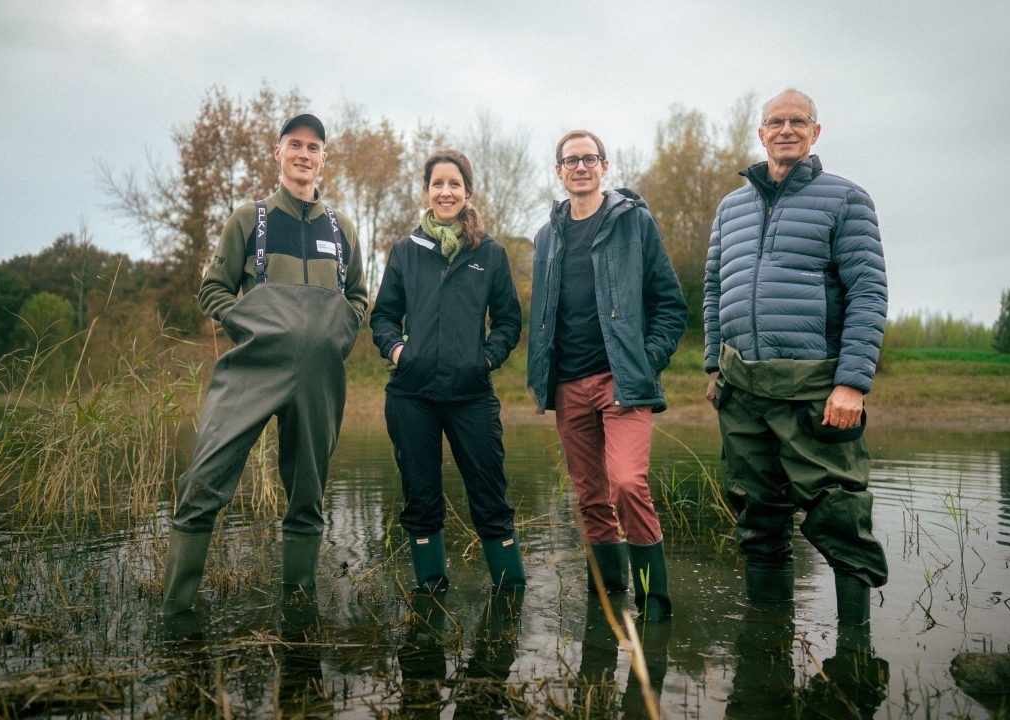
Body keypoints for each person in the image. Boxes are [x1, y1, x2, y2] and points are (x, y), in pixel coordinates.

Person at [161, 113, 368, 615]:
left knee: (307, 497)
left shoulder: (342, 230)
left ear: (323, 157)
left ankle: (297, 616)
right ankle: (175, 613)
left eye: (313, 147)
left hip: (320, 378)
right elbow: (213, 287)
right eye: (294, 145)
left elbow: (360, 297)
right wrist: (248, 325)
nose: (304, 154)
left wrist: (339, 333)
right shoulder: (247, 218)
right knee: (203, 482)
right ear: (278, 153)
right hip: (253, 369)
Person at [703, 88, 888, 625]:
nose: (786, 130)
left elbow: (868, 293)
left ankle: (853, 659)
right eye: (776, 122)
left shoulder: (846, 199)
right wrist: (715, 366)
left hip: (815, 391)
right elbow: (715, 288)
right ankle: (766, 654)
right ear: (760, 132)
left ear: (815, 132)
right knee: (758, 519)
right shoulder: (730, 207)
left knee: (839, 514)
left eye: (798, 121)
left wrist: (852, 383)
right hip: (742, 392)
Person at [527, 130, 687, 621]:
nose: (581, 167)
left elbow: (670, 305)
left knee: (626, 483)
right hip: (568, 385)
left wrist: (646, 359)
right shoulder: (547, 236)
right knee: (591, 495)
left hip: (622, 382)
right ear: (558, 171)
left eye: (589, 158)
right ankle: (609, 595)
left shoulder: (633, 222)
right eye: (570, 160)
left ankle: (653, 600)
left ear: (605, 166)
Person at [370, 149, 525, 593]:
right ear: (426, 192)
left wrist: (486, 358)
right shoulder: (405, 251)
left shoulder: (489, 254)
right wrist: (399, 351)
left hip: (471, 395)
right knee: (421, 500)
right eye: (437, 183)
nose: (445, 191)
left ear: (468, 192)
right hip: (411, 396)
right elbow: (383, 316)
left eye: (454, 184)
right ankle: (431, 597)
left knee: (491, 499)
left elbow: (509, 321)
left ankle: (510, 597)